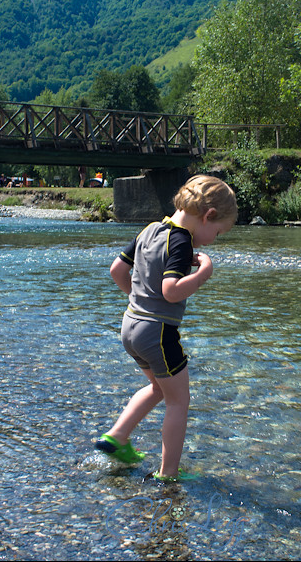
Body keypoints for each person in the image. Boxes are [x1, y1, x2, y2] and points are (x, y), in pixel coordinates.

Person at [95, 175, 238, 482]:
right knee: (179, 401)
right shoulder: (182, 240)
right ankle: (168, 473)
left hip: (130, 325)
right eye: (218, 231)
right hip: (158, 333)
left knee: (159, 389)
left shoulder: (150, 229)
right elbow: (171, 291)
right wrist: (204, 273)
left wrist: (140, 300)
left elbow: (117, 270)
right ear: (208, 215)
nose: (214, 237)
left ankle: (117, 437)